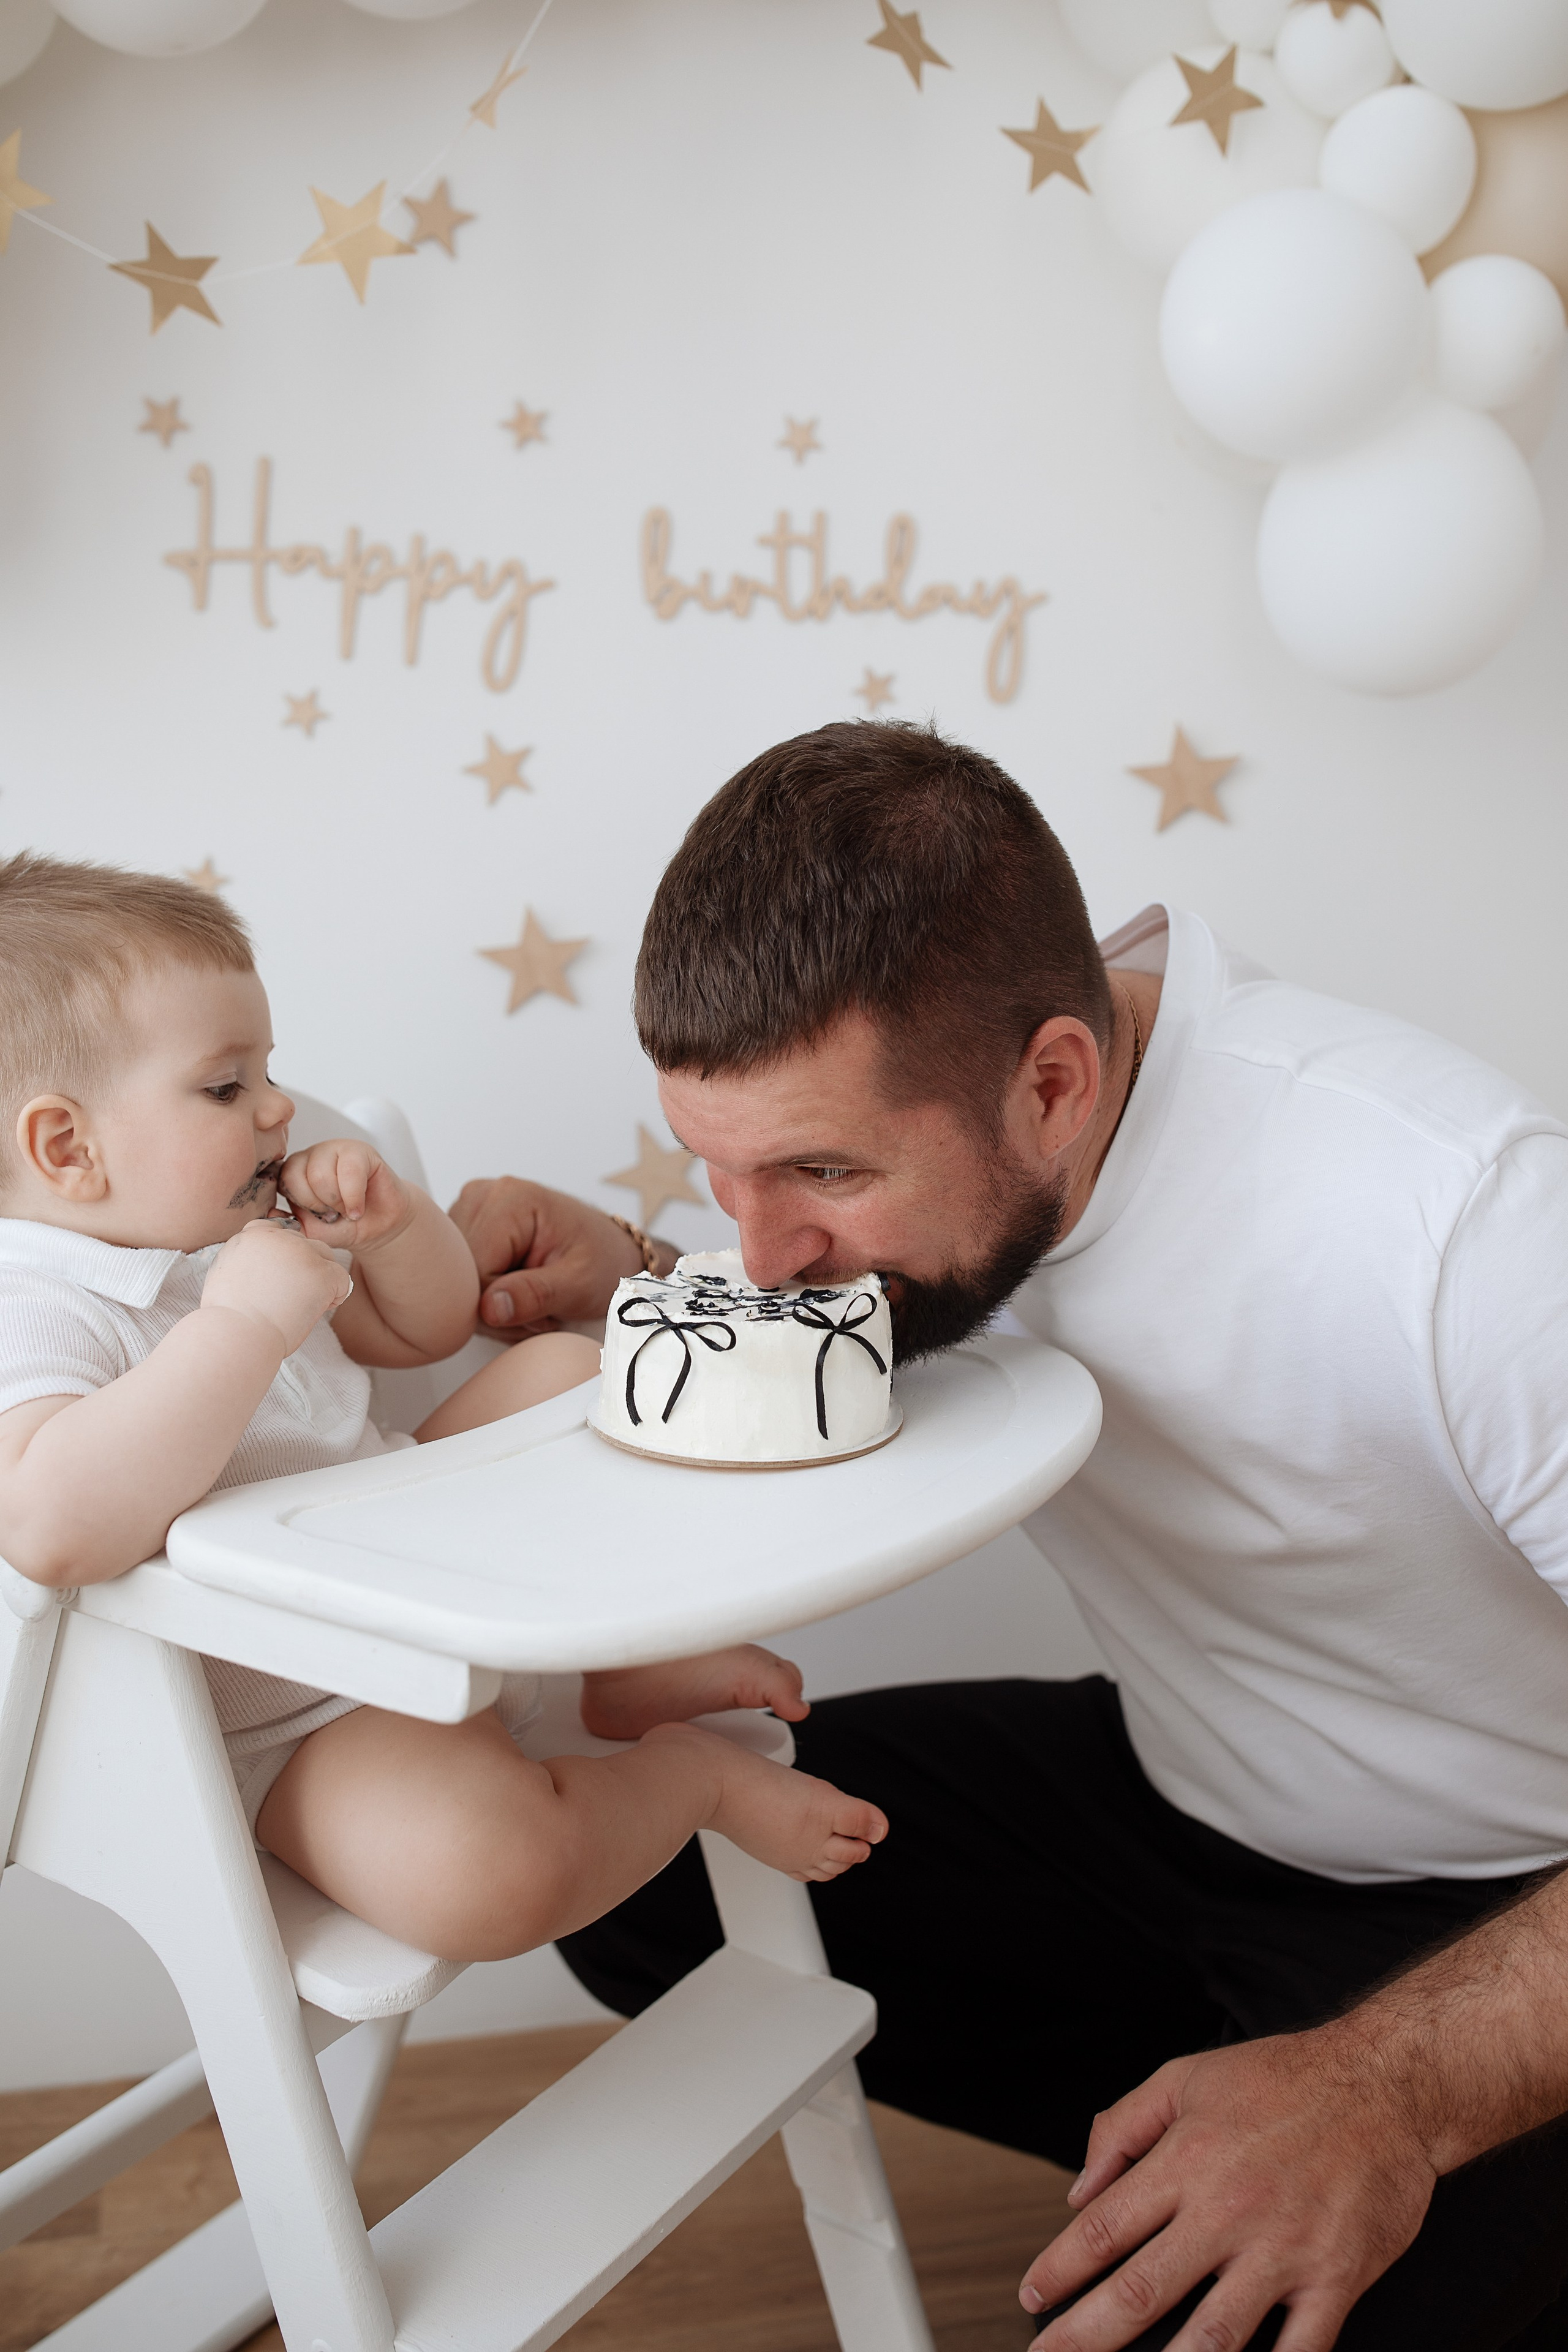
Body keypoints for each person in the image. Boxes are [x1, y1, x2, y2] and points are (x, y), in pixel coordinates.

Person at [450, 720, 1568, 2352]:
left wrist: (1377, 2091)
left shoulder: (1465, 1227)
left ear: (1056, 1084)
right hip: (1185, 1812)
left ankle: (1340, 2153)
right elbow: (827, 1297)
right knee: (644, 1875)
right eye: (721, 1175)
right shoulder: (950, 1152)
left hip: (1502, 1910)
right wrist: (638, 1271)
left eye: (819, 1173)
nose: (758, 1257)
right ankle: (1214, 2135)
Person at [0, 853, 886, 1969]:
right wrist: (241, 1331)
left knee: (572, 1371)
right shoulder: (32, 1306)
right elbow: (51, 1524)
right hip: (302, 1715)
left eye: (269, 1071)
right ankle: (692, 1778)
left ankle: (610, 1660)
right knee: (493, 1875)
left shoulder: (223, 1232)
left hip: (428, 1553)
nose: (276, 1107)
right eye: (226, 1088)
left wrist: (392, 1230)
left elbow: (426, 1329)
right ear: (66, 1149)